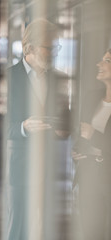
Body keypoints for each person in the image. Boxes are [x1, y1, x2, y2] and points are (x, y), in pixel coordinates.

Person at [5, 18, 70, 239]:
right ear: (29, 47)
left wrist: (65, 129)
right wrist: (23, 127)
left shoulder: (60, 78)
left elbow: (66, 119)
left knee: (52, 228)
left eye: (56, 47)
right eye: (49, 48)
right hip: (20, 167)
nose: (54, 53)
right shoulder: (8, 77)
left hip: (54, 168)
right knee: (19, 227)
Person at [72, 49, 111, 239]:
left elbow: (90, 134)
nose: (100, 64)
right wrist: (77, 151)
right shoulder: (92, 97)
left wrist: (94, 136)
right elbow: (82, 136)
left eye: (107, 60)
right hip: (88, 176)